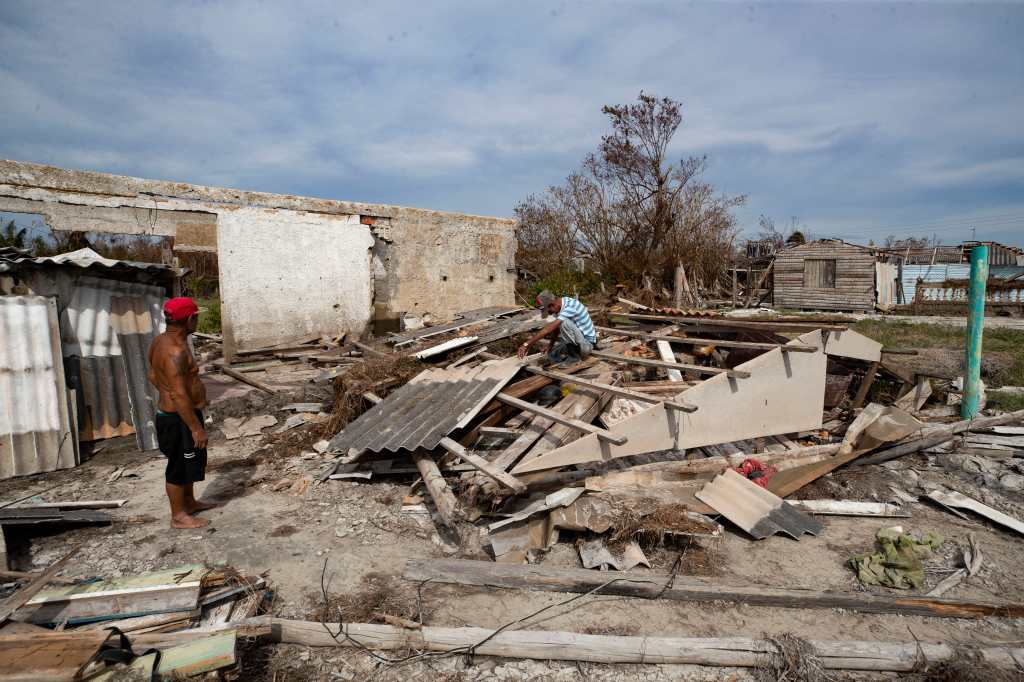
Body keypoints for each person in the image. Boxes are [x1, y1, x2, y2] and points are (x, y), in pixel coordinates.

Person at [147, 297, 215, 529]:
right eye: (196, 317)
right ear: (189, 319)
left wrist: (170, 393)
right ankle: (178, 516)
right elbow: (178, 394)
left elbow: (153, 376)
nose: (197, 321)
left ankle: (189, 502)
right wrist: (195, 428)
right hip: (178, 419)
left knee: (190, 462)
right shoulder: (175, 351)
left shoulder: (160, 341)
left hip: (182, 414)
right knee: (178, 466)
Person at [517, 290, 598, 366]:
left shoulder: (570, 306)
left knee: (564, 323)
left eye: (549, 311)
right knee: (552, 353)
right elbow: (556, 328)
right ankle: (570, 355)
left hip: (587, 345)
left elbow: (548, 329)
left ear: (552, 304)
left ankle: (574, 358)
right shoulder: (560, 306)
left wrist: (526, 344)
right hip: (580, 342)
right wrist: (550, 345)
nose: (550, 314)